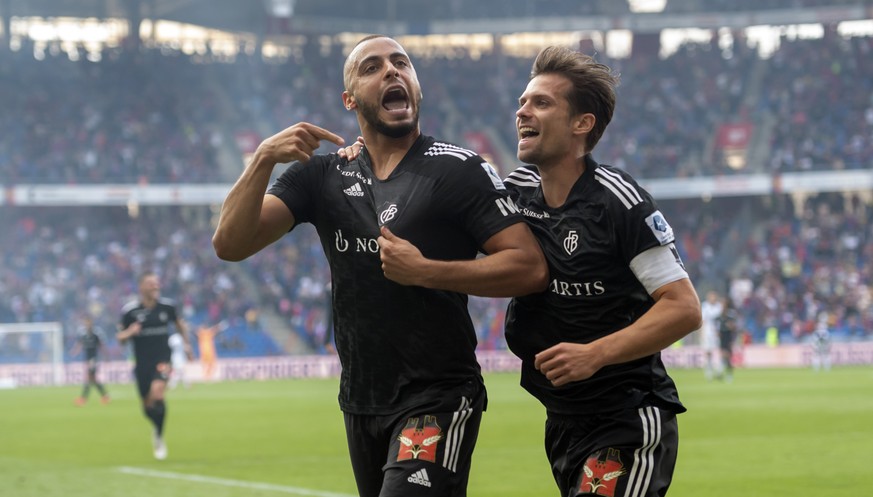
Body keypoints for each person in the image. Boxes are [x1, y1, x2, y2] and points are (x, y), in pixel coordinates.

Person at [213, 34, 547, 497]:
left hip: (439, 394)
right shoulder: (321, 176)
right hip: (361, 400)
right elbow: (230, 243)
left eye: (401, 63)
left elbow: (529, 267)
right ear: (349, 100)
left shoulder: (460, 169)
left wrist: (427, 270)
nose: (391, 71)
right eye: (372, 67)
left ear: (416, 86)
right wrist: (263, 159)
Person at [499, 46, 702, 497]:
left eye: (541, 103)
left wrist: (596, 354)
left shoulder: (618, 201)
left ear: (581, 124)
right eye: (522, 102)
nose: (522, 111)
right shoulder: (515, 192)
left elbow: (684, 308)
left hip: (628, 417)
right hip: (563, 419)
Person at [117, 272, 192, 460]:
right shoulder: (130, 312)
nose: (155, 286)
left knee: (158, 394)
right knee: (147, 405)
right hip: (142, 363)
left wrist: (187, 344)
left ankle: (158, 436)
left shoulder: (167, 307)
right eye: (151, 284)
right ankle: (156, 426)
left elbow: (179, 325)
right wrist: (130, 332)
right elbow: (120, 339)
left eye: (157, 283)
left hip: (163, 359)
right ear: (141, 287)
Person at [70, 315, 110, 406]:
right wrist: (74, 351)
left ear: (91, 323)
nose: (87, 324)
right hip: (87, 359)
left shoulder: (96, 333)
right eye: (86, 323)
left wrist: (106, 356)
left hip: (93, 359)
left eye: (89, 322)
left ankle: (83, 398)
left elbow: (101, 345)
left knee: (89, 378)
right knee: (93, 379)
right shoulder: (83, 333)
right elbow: (79, 344)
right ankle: (105, 396)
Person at [698, 290, 724, 380]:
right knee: (708, 353)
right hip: (707, 333)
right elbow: (703, 321)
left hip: (717, 333)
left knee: (719, 351)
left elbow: (721, 320)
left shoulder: (719, 306)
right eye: (711, 297)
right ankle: (708, 372)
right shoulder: (705, 306)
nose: (712, 298)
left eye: (714, 297)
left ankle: (719, 370)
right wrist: (701, 333)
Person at [717, 301, 740, 382]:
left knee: (727, 356)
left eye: (723, 305)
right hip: (722, 338)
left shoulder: (730, 316)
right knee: (724, 356)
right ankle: (722, 373)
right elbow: (718, 328)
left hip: (728, 337)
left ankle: (726, 374)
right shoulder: (719, 317)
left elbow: (734, 327)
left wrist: (731, 326)